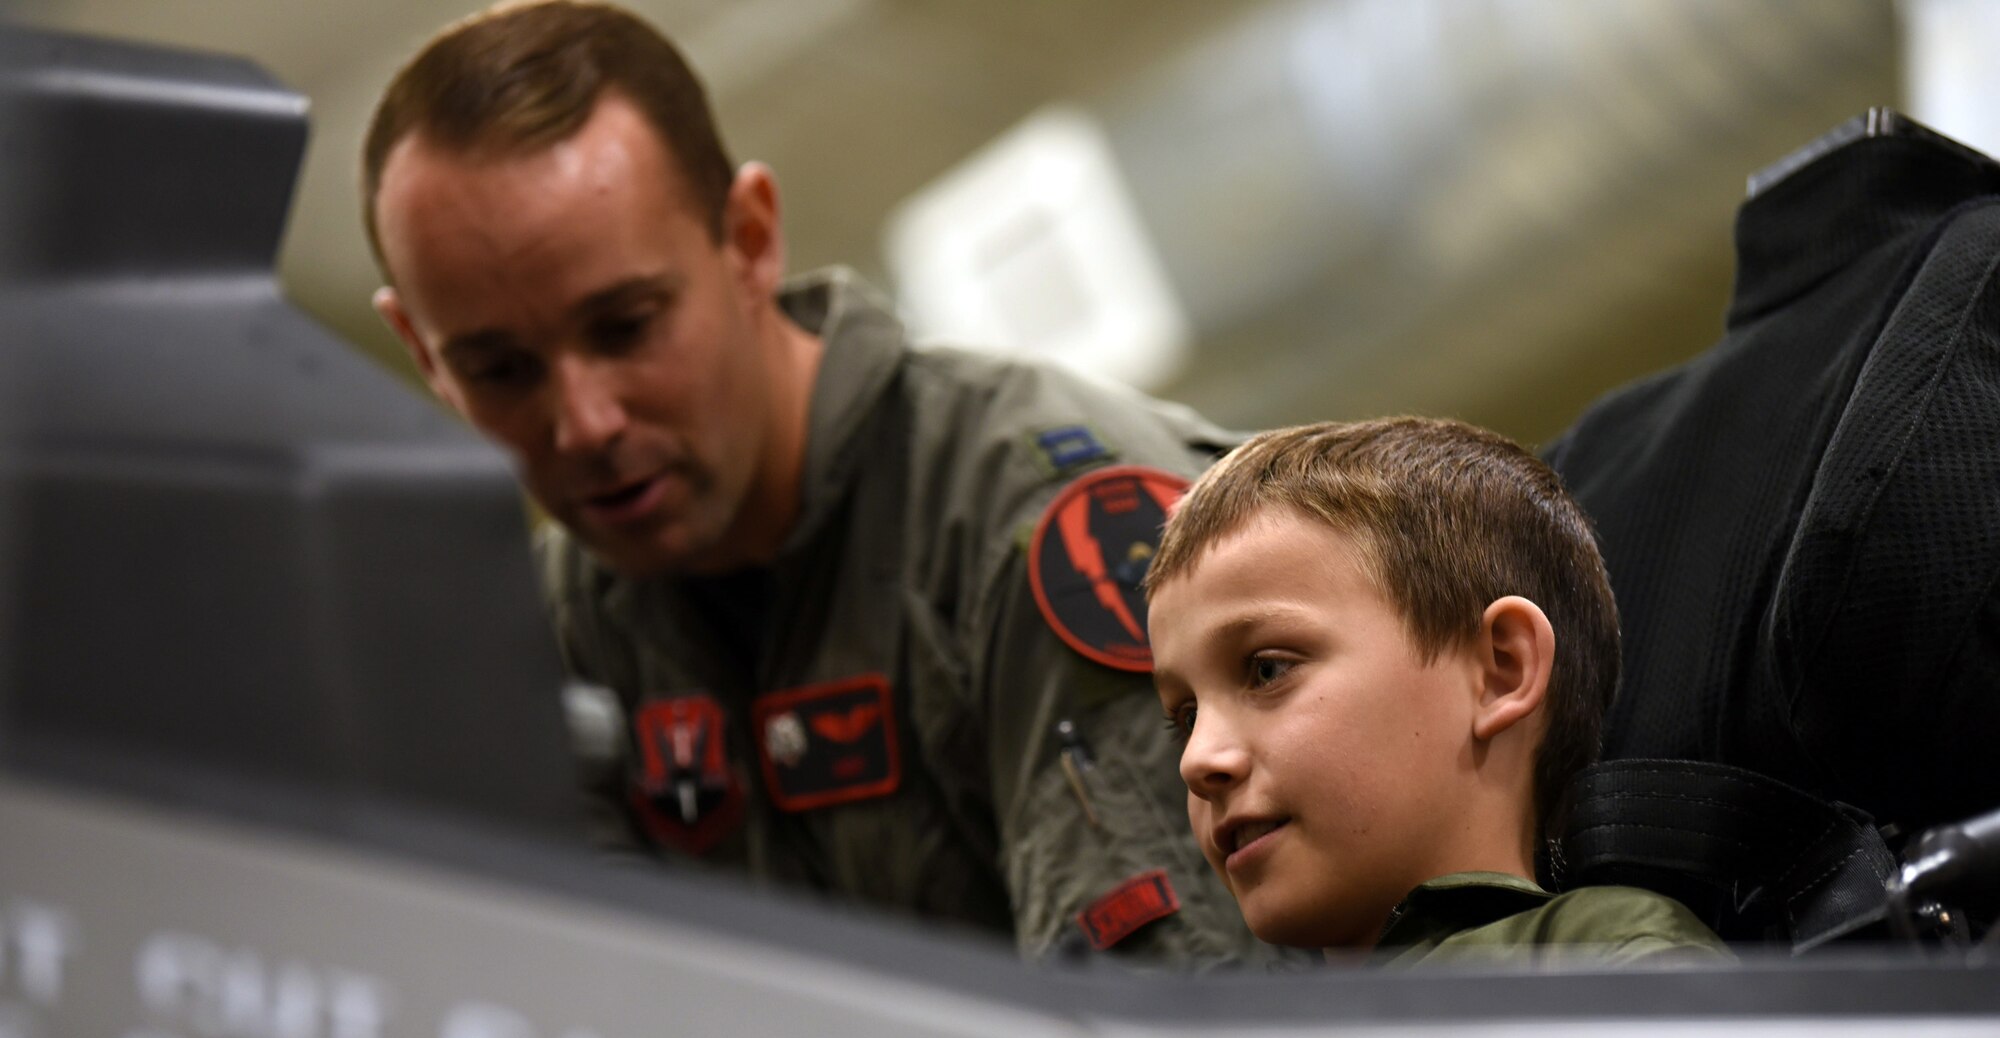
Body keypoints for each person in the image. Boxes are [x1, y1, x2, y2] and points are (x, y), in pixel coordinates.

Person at [361, 1, 1271, 964]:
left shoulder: (1058, 529)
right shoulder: (539, 646)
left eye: (627, 326)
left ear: (750, 239)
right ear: (422, 351)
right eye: (500, 371)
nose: (582, 422)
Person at [1145, 417, 1732, 966]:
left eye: (1268, 670)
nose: (1198, 760)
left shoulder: (1604, 962)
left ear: (1500, 670)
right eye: (1186, 715)